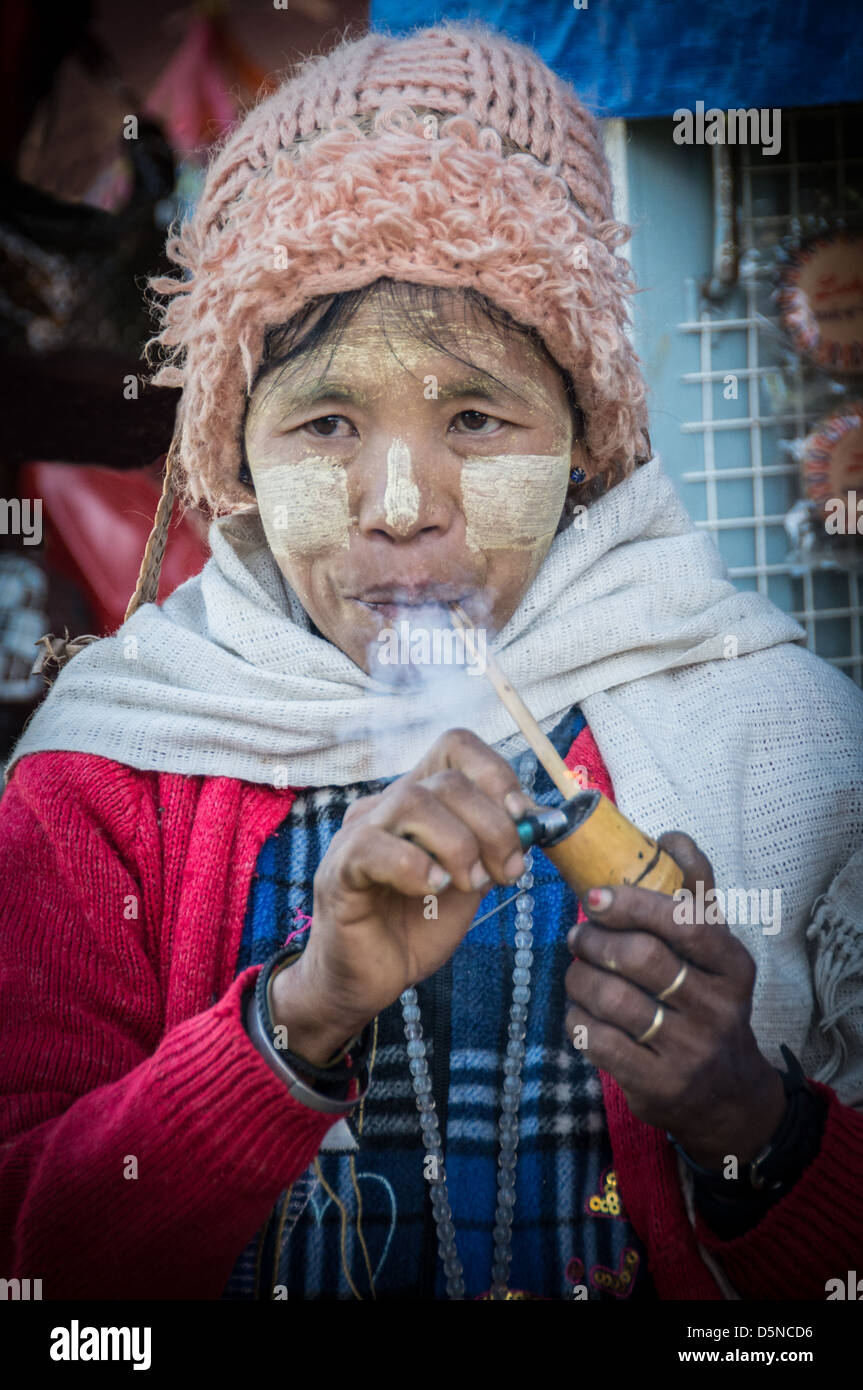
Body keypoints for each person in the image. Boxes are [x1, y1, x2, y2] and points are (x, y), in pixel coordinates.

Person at [1, 20, 862, 1303]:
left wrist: (748, 1119)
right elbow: (37, 1266)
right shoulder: (110, 769)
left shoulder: (781, 732)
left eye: (474, 415)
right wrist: (295, 1017)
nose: (398, 503)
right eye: (325, 422)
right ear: (237, 460)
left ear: (585, 444)